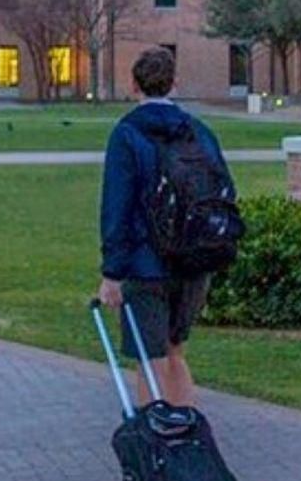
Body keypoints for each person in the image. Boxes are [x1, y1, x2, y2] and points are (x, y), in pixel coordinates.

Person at [98, 45, 229, 407]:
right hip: (192, 259)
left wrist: (112, 273)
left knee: (149, 360)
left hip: (146, 264)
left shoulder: (127, 134)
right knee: (176, 352)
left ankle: (159, 442)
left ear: (134, 85)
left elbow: (117, 206)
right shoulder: (198, 131)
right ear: (174, 83)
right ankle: (189, 436)